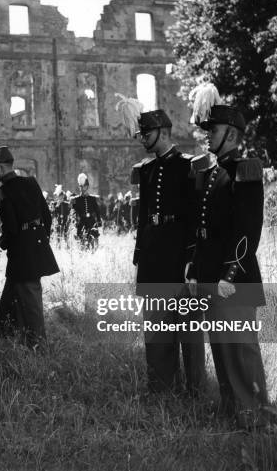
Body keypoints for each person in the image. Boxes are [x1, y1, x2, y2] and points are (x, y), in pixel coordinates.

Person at [186, 83, 268, 428]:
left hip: (233, 279)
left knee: (241, 349)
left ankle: (256, 416)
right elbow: (204, 228)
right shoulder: (213, 171)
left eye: (214, 131)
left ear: (231, 134)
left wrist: (228, 276)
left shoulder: (244, 170)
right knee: (220, 347)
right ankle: (231, 409)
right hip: (209, 274)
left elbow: (248, 233)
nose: (207, 136)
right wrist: (195, 268)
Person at [116, 93, 205, 396]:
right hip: (154, 259)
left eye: (148, 133)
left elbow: (196, 217)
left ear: (164, 133)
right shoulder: (147, 170)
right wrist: (139, 256)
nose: (142, 138)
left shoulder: (188, 167)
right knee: (156, 331)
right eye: (141, 133)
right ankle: (162, 390)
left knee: (189, 333)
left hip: (180, 257)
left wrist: (193, 261)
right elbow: (143, 217)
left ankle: (196, 393)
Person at [0, 135, 59, 348]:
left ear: (0, 168)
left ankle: (40, 348)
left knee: (31, 305)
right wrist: (36, 241)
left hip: (22, 254)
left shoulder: (1, 193)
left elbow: (11, 228)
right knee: (13, 297)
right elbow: (46, 218)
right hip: (37, 248)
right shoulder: (31, 182)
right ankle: (8, 334)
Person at [70, 173, 102, 249]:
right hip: (81, 222)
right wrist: (74, 222)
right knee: (82, 242)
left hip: (91, 222)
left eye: (83, 186)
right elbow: (73, 212)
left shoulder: (93, 198)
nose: (82, 188)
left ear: (87, 187)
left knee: (93, 242)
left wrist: (99, 221)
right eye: (80, 186)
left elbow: (97, 210)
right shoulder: (76, 199)